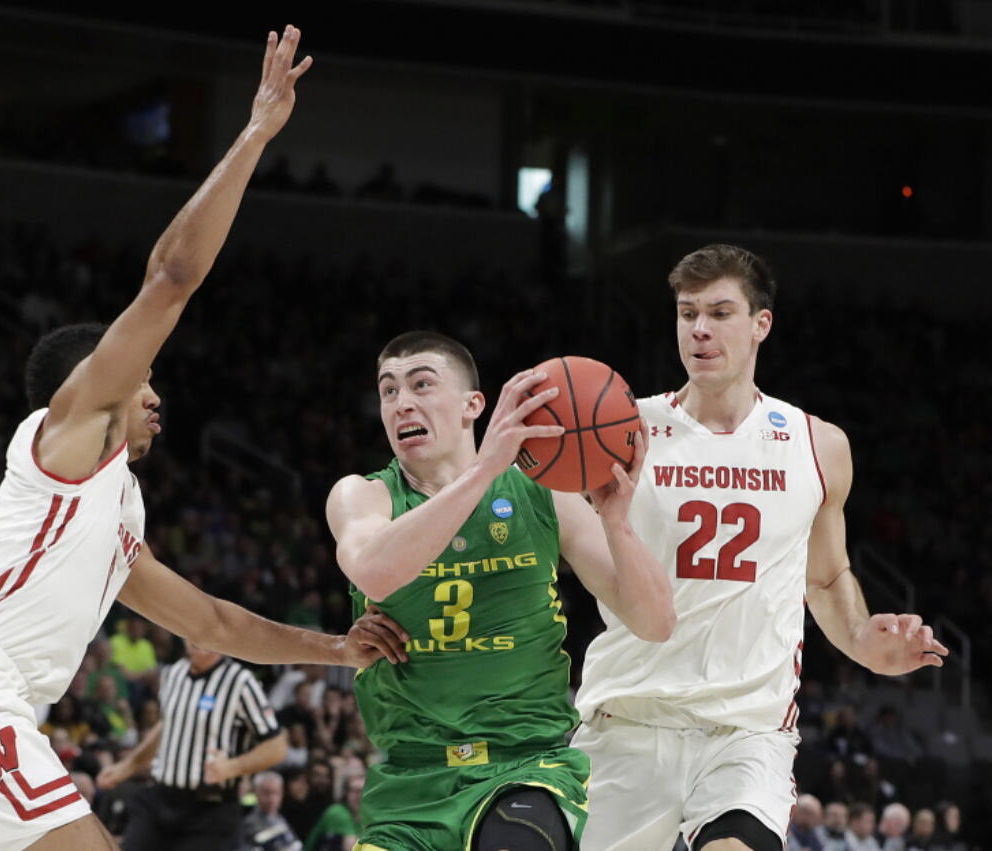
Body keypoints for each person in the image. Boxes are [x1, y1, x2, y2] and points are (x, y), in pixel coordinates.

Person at [0, 27, 408, 851]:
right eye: (140, 378)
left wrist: (339, 649)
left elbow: (217, 624)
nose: (157, 392)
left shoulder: (112, 512)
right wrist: (256, 132)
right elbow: (173, 277)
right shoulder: (69, 440)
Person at [572, 244, 948, 851]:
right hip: (629, 721)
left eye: (720, 312)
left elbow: (825, 580)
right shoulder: (621, 434)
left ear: (760, 325)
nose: (699, 329)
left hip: (746, 734)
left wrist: (861, 640)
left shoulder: (817, 445)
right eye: (686, 312)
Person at [325, 331, 675, 849]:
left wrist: (617, 523)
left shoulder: (542, 494)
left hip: (525, 768)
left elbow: (655, 623)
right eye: (389, 391)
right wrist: (485, 468)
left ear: (474, 405)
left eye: (422, 384)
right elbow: (376, 573)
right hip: (410, 783)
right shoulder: (362, 496)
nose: (403, 403)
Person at [97, 643, 286, 850]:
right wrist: (128, 766)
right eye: (193, 629)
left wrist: (233, 767)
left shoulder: (240, 681)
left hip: (211, 809)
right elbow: (168, 724)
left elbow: (276, 745)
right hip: (162, 797)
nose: (199, 637)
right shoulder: (173, 673)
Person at [241, 772, 302, 851]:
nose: (272, 799)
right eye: (266, 793)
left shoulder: (282, 820)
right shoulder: (248, 824)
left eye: (276, 793)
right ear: (256, 792)